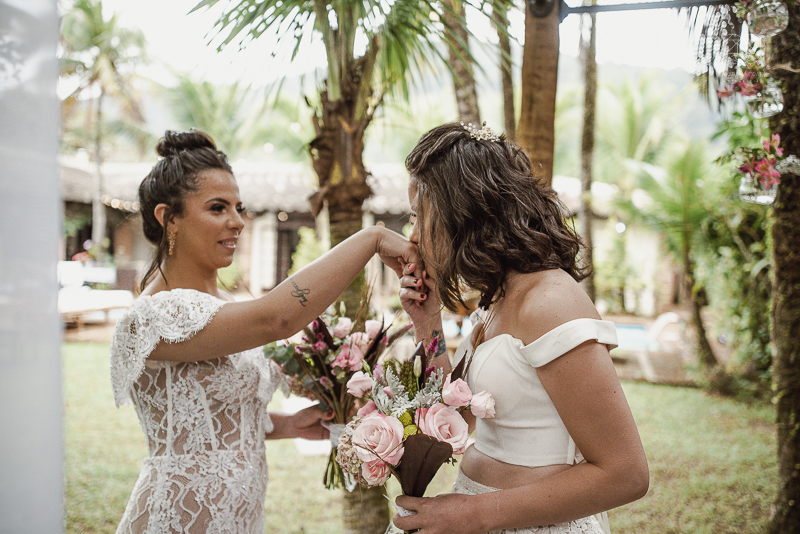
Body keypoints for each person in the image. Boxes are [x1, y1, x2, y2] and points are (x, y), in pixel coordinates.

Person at [110, 129, 421, 534]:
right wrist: (372, 238)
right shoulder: (152, 317)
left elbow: (212, 419)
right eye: (218, 208)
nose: (237, 222)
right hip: (176, 519)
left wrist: (287, 425)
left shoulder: (223, 307)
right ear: (169, 219)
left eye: (239, 208)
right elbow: (277, 319)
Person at [393, 122, 649, 534]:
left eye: (419, 216)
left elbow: (626, 474)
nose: (414, 235)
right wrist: (428, 324)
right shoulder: (495, 297)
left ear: (464, 213)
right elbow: (460, 416)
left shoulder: (550, 301)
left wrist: (471, 514)